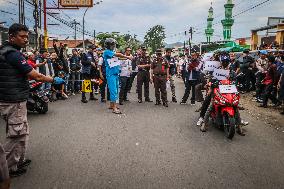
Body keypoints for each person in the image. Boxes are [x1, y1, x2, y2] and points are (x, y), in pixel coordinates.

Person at [0, 24, 53, 179]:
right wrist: (52, 79)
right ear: (11, 37)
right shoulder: (13, 54)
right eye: (22, 37)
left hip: (10, 98)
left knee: (20, 132)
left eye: (26, 36)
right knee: (17, 135)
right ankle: (7, 168)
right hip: (13, 100)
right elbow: (36, 76)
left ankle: (16, 161)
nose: (25, 40)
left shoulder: (6, 51)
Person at [196, 53, 245, 135]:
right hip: (218, 91)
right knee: (211, 105)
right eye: (223, 61)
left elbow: (235, 80)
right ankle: (205, 123)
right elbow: (212, 79)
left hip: (229, 92)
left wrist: (236, 83)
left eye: (226, 61)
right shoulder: (216, 70)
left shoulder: (231, 71)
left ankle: (239, 126)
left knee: (235, 106)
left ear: (228, 62)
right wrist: (211, 84)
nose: (225, 63)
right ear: (221, 62)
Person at [103, 38, 132, 114]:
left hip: (115, 73)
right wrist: (128, 57)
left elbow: (119, 57)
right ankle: (114, 108)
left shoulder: (112, 52)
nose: (114, 46)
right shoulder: (107, 52)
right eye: (113, 44)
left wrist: (126, 58)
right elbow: (118, 55)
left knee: (116, 90)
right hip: (111, 74)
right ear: (109, 45)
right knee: (113, 91)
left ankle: (112, 105)